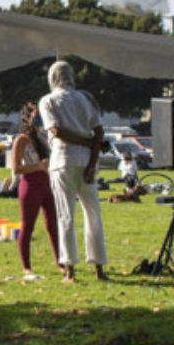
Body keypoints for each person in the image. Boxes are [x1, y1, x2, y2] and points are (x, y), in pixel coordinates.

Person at [37, 59, 107, 282]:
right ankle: (99, 267)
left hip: (63, 159)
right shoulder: (86, 99)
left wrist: (83, 144)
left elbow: (56, 131)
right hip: (86, 160)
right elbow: (98, 132)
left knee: (65, 214)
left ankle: (69, 268)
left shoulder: (48, 101)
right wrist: (92, 162)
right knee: (93, 214)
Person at [10, 105, 56, 279]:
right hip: (30, 186)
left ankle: (60, 261)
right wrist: (38, 166)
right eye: (36, 116)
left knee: (53, 224)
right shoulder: (21, 139)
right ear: (27, 118)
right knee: (28, 226)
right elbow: (16, 168)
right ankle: (26, 266)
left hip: (48, 183)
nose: (39, 120)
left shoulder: (45, 136)